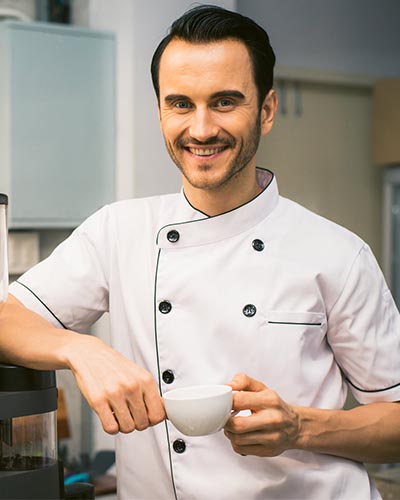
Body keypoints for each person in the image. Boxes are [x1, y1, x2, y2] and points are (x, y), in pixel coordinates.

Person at [1, 5, 399, 499]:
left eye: (225, 102)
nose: (202, 128)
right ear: (160, 112)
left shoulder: (338, 253)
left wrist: (300, 427)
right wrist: (83, 350)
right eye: (181, 104)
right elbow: (7, 320)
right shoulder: (119, 231)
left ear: (267, 110)